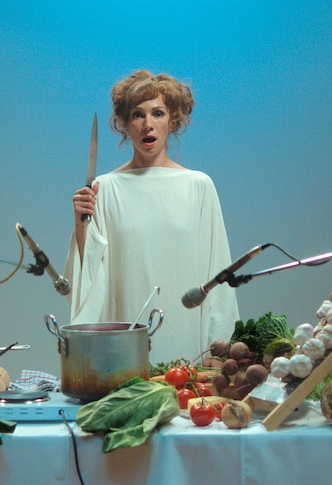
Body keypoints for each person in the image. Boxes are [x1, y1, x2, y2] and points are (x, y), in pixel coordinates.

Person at [66, 70, 240, 365]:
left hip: (186, 341)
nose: (148, 124)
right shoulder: (104, 188)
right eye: (137, 115)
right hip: (125, 347)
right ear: (124, 124)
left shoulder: (199, 186)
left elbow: (217, 274)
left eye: (158, 113)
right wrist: (81, 225)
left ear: (173, 121)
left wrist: (219, 348)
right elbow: (89, 280)